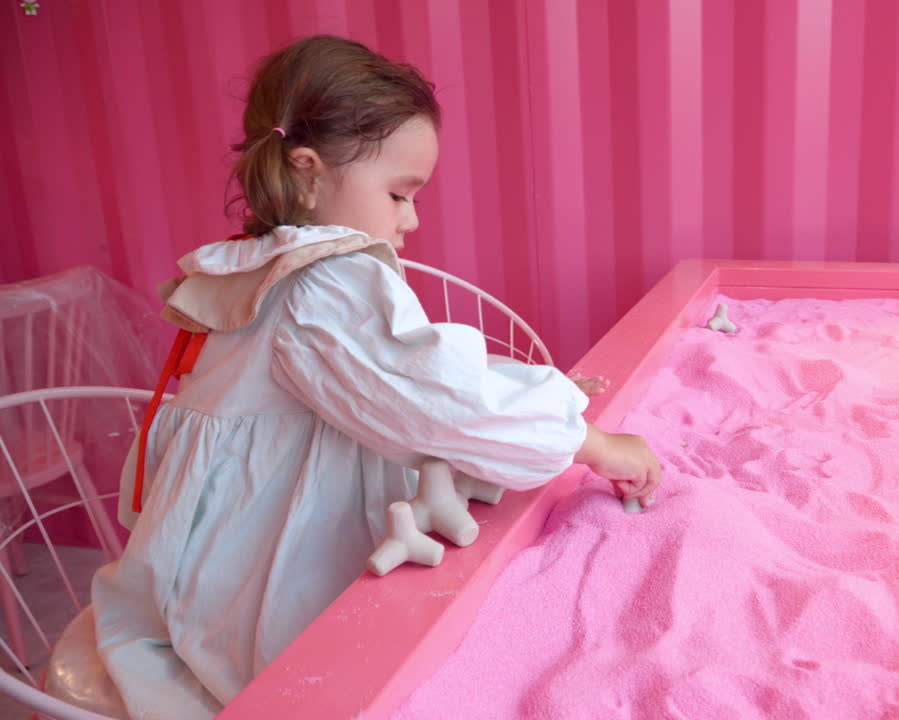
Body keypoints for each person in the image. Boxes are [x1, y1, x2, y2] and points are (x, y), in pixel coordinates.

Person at [90, 34, 660, 719]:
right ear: (306, 172)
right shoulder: (325, 281)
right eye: (399, 194)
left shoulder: (266, 260)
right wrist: (594, 443)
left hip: (211, 546)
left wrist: (544, 394)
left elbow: (399, 373)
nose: (411, 219)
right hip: (253, 573)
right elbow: (436, 404)